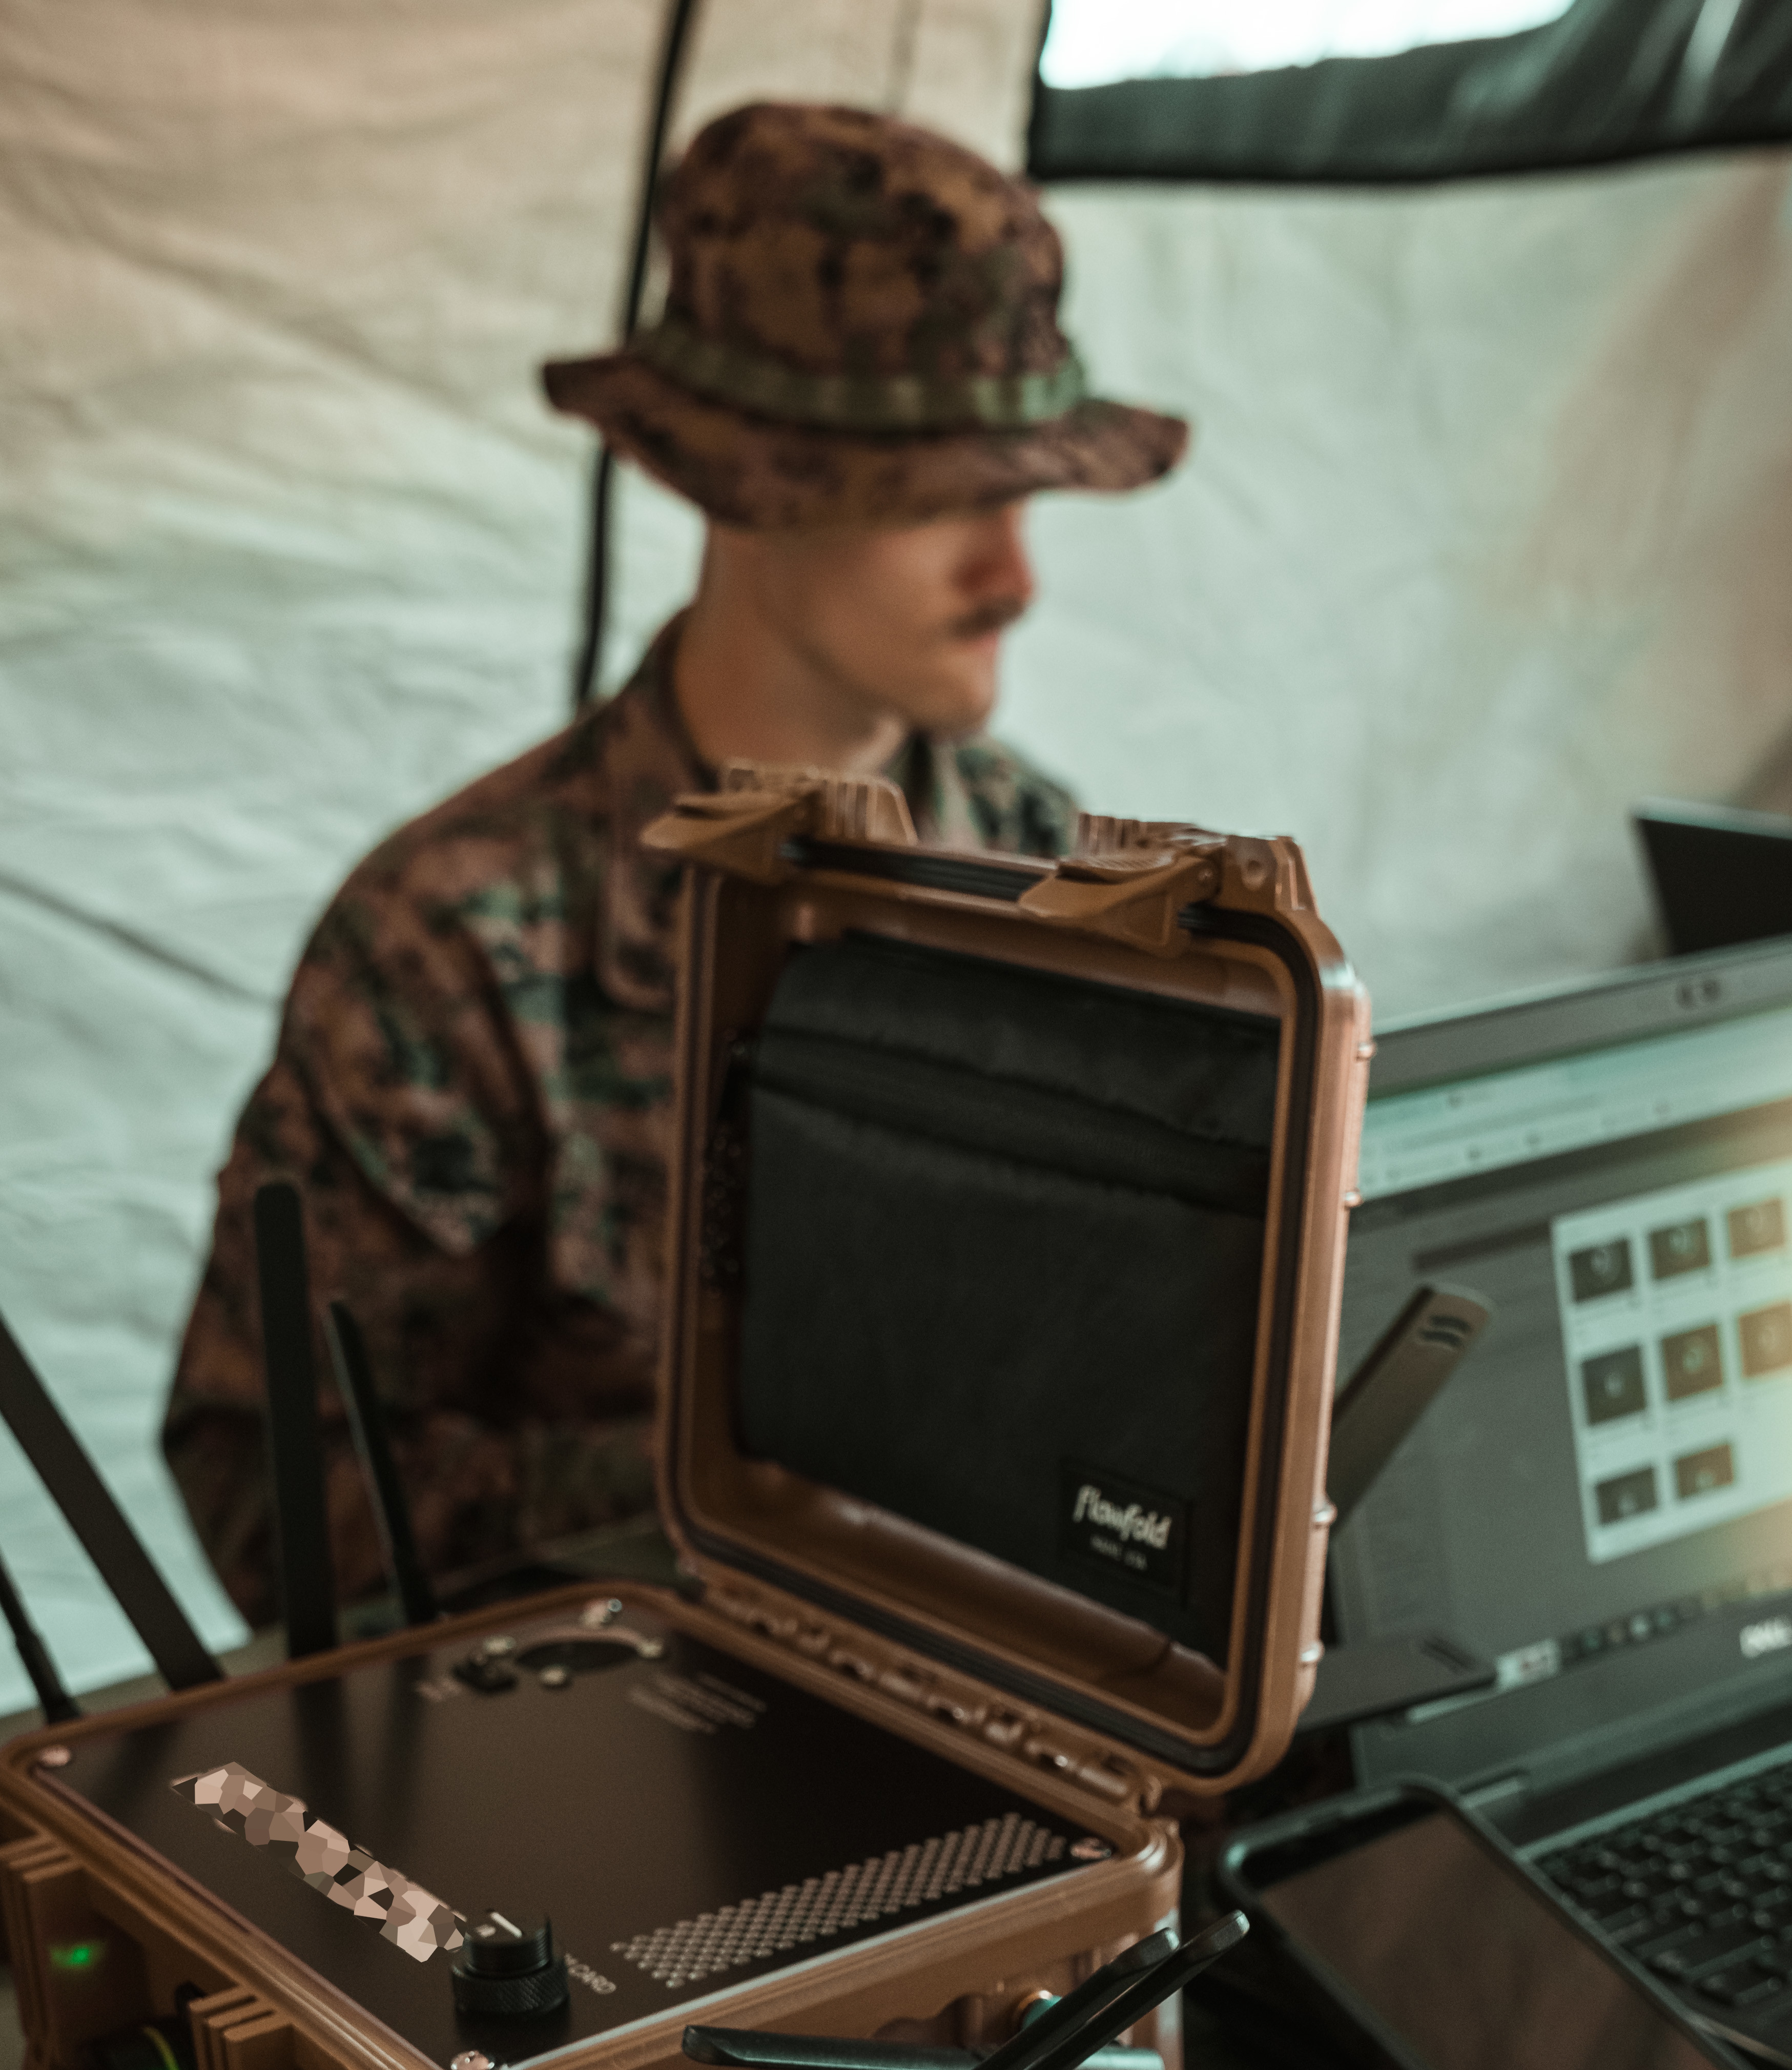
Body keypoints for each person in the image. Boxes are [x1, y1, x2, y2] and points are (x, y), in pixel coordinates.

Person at [162, 98, 1187, 1623]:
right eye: (941, 498)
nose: (1014, 577)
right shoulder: (458, 938)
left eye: (1026, 491)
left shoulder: (1044, 865)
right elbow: (278, 1497)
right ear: (750, 488)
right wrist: (750, 1483)